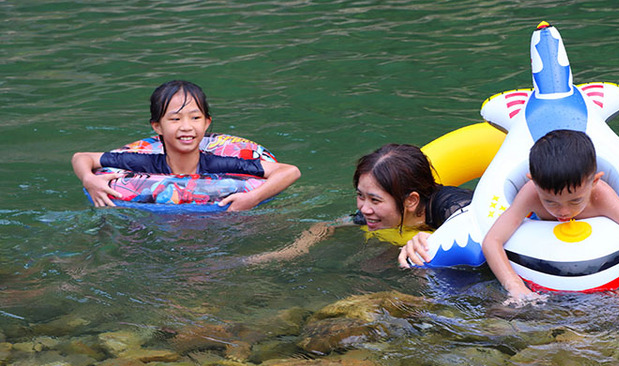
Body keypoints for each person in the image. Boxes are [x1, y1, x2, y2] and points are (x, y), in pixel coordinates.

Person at [479, 129, 619, 303]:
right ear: (533, 183)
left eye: (575, 201)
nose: (563, 211)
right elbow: (492, 241)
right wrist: (515, 285)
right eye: (550, 202)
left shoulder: (602, 197)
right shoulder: (530, 194)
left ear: (595, 182)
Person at [72, 80, 301, 211]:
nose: (186, 127)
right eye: (175, 119)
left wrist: (253, 198)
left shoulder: (220, 164)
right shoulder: (143, 164)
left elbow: (290, 171)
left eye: (195, 118)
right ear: (157, 127)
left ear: (207, 123)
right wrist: (89, 179)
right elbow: (82, 157)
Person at [245, 143, 473, 263]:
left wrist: (435, 239)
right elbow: (328, 224)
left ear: (411, 200)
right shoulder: (371, 211)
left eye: (375, 199)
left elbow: (480, 226)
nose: (364, 208)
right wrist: (294, 249)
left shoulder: (450, 206)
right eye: (361, 195)